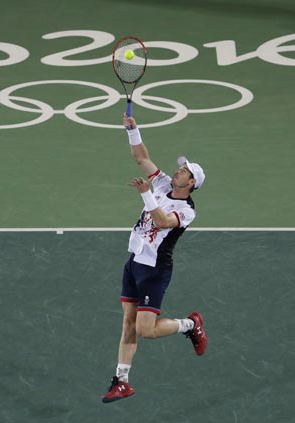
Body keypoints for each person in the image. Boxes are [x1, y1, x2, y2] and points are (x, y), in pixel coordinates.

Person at [102, 114, 208, 403]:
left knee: (145, 330)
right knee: (128, 324)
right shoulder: (161, 183)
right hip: (135, 263)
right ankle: (121, 380)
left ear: (191, 182)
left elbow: (161, 221)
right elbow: (141, 157)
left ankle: (189, 324)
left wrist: (146, 194)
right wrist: (133, 131)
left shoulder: (187, 210)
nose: (178, 171)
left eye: (184, 171)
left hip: (155, 271)